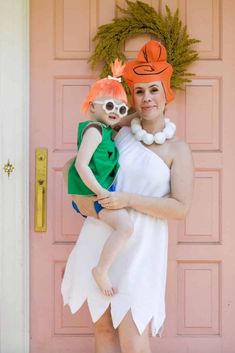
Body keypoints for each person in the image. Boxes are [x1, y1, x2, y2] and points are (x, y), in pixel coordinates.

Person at [61, 40, 194, 353]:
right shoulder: (117, 133)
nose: (147, 98)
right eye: (140, 91)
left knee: (134, 337)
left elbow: (180, 208)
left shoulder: (178, 150)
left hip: (143, 248)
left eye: (154, 90)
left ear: (166, 94)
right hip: (102, 237)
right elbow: (76, 168)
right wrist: (86, 204)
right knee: (103, 329)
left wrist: (128, 200)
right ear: (132, 96)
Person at [68, 59, 133, 296]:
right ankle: (101, 270)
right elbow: (81, 164)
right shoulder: (94, 131)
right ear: (92, 106)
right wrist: (100, 192)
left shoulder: (106, 131)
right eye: (109, 105)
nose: (115, 112)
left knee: (121, 226)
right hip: (90, 192)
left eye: (121, 108)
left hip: (94, 191)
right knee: (125, 227)